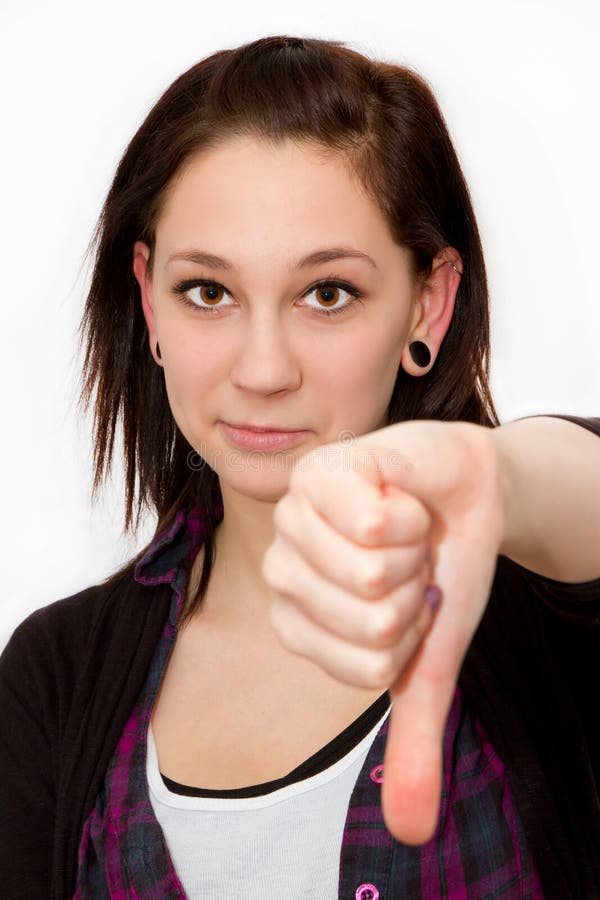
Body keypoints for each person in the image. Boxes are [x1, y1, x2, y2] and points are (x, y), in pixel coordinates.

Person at [1, 33, 599, 900]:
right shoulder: (52, 685)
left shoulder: (531, 590)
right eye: (208, 291)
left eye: (328, 293)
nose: (264, 369)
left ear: (428, 302)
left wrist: (499, 479)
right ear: (148, 300)